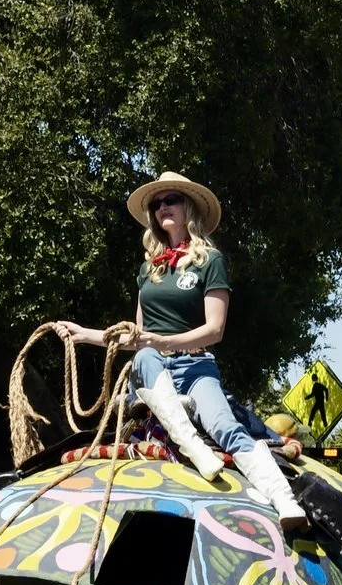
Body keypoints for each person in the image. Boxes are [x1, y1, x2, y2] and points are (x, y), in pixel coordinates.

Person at [54, 171, 307, 531]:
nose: (161, 209)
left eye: (169, 200)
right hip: (153, 367)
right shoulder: (149, 269)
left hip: (196, 366)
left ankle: (284, 500)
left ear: (188, 206)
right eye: (156, 204)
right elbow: (138, 337)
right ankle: (193, 448)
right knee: (142, 357)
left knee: (225, 425)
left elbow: (215, 330)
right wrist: (87, 335)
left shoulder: (210, 261)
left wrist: (166, 342)